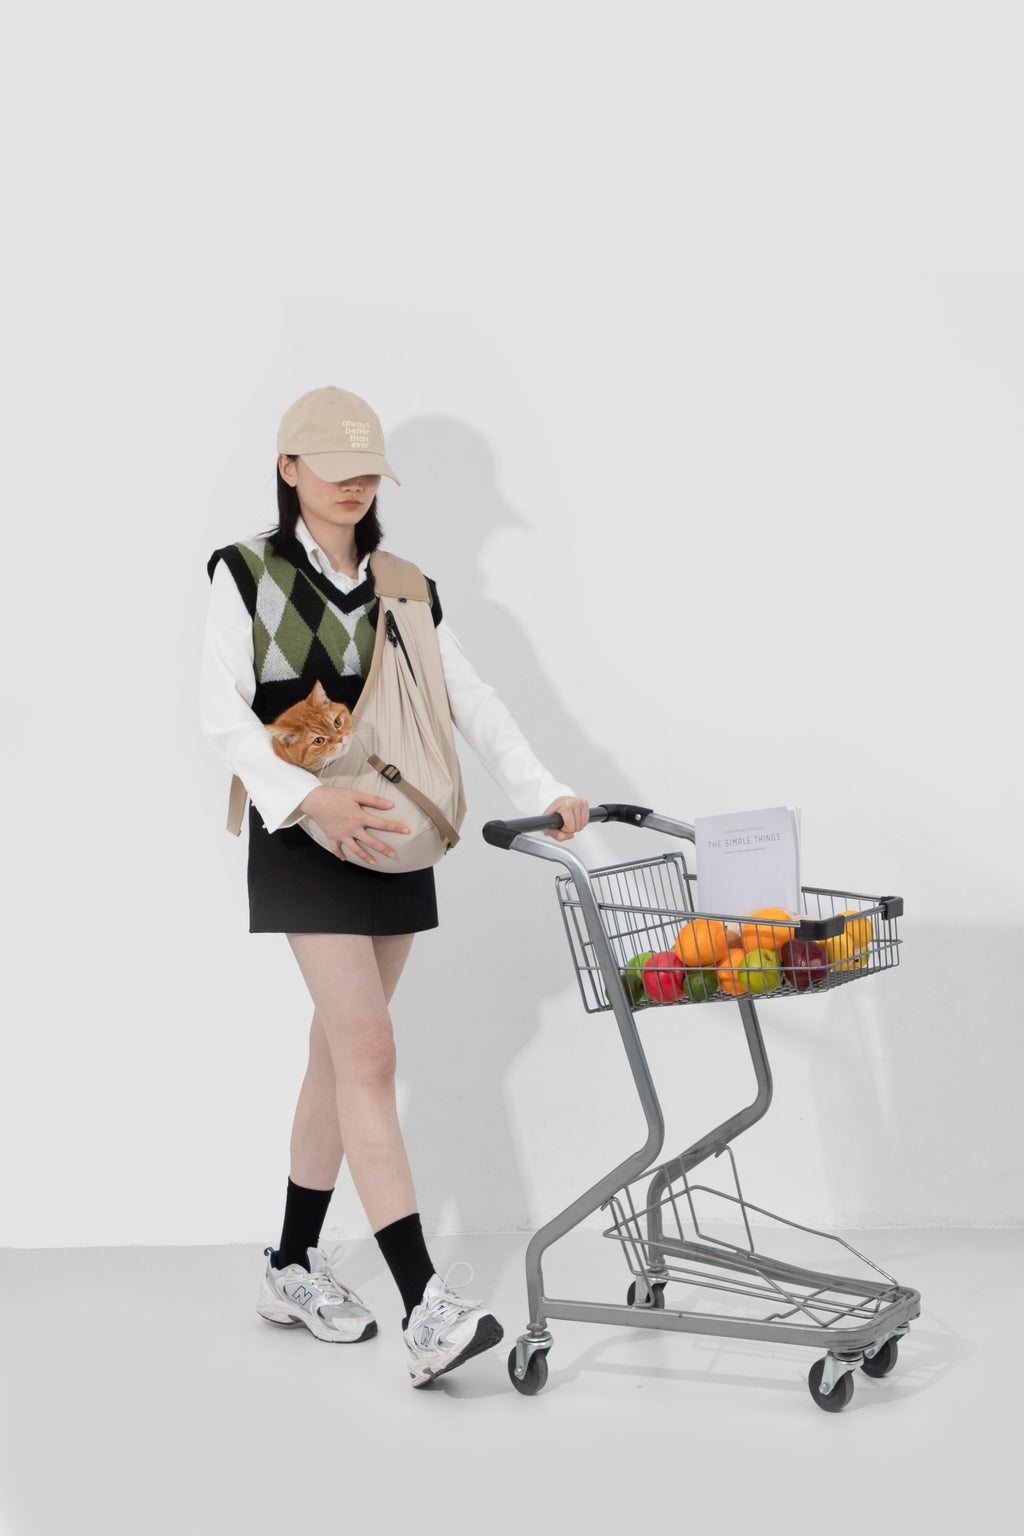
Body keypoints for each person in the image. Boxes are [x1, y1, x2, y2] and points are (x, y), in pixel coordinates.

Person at [199, 385, 588, 1388]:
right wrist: (310, 802)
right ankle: (424, 1308)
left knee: (338, 1055)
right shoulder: (245, 573)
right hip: (304, 835)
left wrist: (542, 788)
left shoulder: (405, 586)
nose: (353, 485)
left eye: (366, 468)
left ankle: (290, 1264)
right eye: (333, 467)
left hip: (396, 840)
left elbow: (471, 699)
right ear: (289, 468)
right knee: (369, 1052)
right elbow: (222, 718)